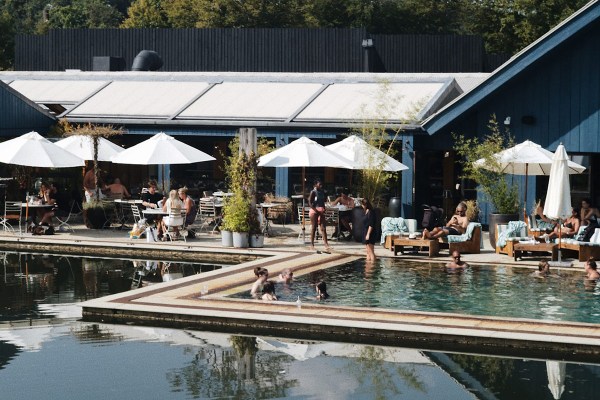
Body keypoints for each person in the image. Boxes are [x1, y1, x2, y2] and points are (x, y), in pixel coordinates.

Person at [308, 179, 331, 252]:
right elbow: (309, 203)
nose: (321, 185)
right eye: (319, 184)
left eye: (321, 184)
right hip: (315, 210)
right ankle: (312, 244)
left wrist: (324, 208)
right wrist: (316, 210)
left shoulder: (322, 192)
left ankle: (326, 244)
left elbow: (323, 202)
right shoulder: (313, 192)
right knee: (314, 228)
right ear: (315, 185)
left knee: (323, 228)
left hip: (321, 210)